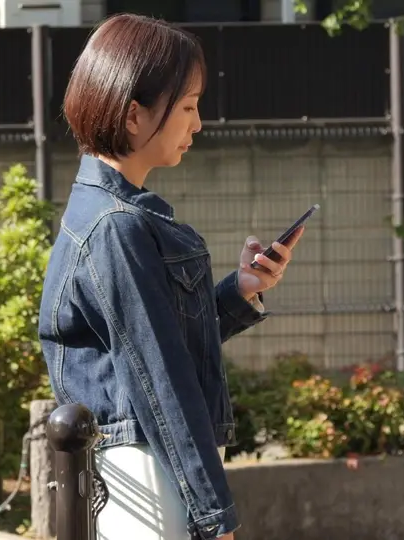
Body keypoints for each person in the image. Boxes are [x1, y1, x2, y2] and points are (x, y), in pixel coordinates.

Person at [38, 13, 304, 540]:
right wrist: (215, 518)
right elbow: (160, 379)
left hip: (149, 471)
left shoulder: (112, 214)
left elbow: (154, 345)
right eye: (187, 106)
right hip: (149, 479)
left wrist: (238, 291)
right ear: (134, 115)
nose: (197, 124)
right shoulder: (116, 226)